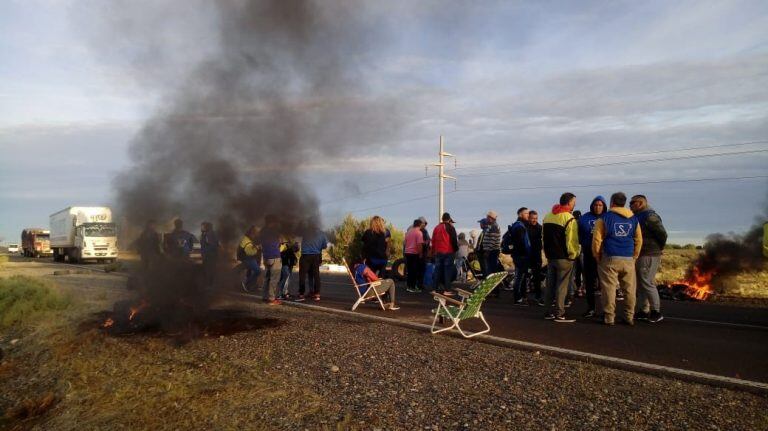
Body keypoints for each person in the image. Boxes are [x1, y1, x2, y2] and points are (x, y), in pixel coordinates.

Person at [593, 192, 642, 326]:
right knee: (629, 289)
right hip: (628, 257)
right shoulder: (634, 218)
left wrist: (597, 256)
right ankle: (629, 316)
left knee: (609, 288)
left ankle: (609, 317)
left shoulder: (604, 218)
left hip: (610, 257)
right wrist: (635, 256)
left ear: (612, 202)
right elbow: (639, 239)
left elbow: (597, 240)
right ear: (624, 203)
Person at [543, 193, 581, 323]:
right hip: (564, 258)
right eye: (574, 201)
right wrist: (573, 255)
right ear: (569, 202)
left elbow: (544, 237)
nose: (574, 204)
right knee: (562, 286)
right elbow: (572, 240)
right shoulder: (569, 218)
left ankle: (547, 312)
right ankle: (559, 313)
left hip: (550, 256)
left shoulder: (548, 216)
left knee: (550, 285)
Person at [631, 195, 668, 323]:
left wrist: (658, 247)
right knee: (641, 283)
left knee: (647, 282)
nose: (630, 205)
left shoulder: (650, 216)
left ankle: (656, 311)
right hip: (642, 253)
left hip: (649, 253)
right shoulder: (640, 216)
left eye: (632, 202)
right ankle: (643, 310)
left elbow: (662, 234)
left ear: (640, 203)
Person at [577, 196, 607, 318]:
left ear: (604, 206)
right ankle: (591, 308)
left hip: (604, 254)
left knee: (605, 283)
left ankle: (606, 310)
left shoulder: (608, 217)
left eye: (600, 205)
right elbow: (578, 235)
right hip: (589, 253)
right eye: (595, 205)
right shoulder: (584, 218)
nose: (598, 207)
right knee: (589, 282)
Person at [502, 207, 531, 305]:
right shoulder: (519, 227)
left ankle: (520, 297)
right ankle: (518, 298)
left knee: (520, 276)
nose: (528, 215)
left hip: (517, 255)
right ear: (520, 214)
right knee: (519, 277)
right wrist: (526, 253)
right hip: (521, 256)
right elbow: (521, 243)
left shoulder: (517, 225)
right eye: (526, 213)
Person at [299, 221, 328, 301]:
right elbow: (324, 246)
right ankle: (317, 294)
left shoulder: (305, 232)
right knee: (316, 275)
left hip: (305, 256)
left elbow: (297, 232)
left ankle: (301, 294)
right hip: (316, 256)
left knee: (302, 275)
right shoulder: (322, 234)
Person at [431, 212, 459, 295]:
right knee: (447, 271)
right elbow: (454, 240)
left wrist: (433, 251)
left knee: (437, 270)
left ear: (442, 219)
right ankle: (447, 290)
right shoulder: (450, 227)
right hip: (448, 252)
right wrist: (455, 249)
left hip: (438, 252)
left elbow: (433, 240)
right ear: (449, 219)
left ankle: (434, 289)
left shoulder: (436, 227)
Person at [259, 215, 282, 305]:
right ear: (272, 222)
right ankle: (272, 299)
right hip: (274, 256)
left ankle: (264, 297)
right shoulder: (274, 231)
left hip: (266, 256)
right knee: (274, 278)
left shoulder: (262, 231)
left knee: (267, 278)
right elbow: (278, 242)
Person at [526, 211, 544, 306]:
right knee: (525, 277)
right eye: (533, 218)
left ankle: (538, 297)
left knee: (537, 278)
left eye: (536, 218)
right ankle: (524, 297)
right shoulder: (524, 228)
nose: (534, 220)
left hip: (537, 256)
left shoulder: (540, 228)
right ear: (529, 218)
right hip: (526, 256)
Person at [482, 210, 502, 297]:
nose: (486, 218)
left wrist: (487, 251)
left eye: (487, 217)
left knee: (491, 272)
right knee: (491, 271)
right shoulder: (493, 226)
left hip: (492, 252)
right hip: (492, 251)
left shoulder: (494, 226)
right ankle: (493, 291)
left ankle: (494, 291)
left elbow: (493, 241)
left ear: (491, 218)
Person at [404, 219, 426, 293]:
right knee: (414, 271)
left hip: (407, 253)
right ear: (420, 225)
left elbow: (405, 242)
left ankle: (409, 286)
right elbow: (419, 244)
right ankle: (412, 287)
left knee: (410, 271)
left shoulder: (408, 232)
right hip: (414, 253)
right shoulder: (419, 233)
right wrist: (421, 254)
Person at [238, 226, 261, 293]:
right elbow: (249, 252)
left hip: (248, 258)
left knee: (249, 270)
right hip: (249, 258)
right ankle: (246, 283)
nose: (257, 234)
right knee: (257, 271)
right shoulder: (247, 241)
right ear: (252, 233)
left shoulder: (247, 238)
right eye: (256, 232)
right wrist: (257, 248)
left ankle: (250, 285)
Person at [200, 221, 220, 294]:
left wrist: (206, 254)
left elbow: (213, 246)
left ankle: (209, 287)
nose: (201, 228)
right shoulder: (207, 234)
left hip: (209, 257)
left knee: (209, 271)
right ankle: (209, 286)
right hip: (210, 256)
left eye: (202, 226)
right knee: (209, 271)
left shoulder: (209, 235)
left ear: (206, 227)